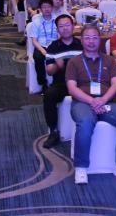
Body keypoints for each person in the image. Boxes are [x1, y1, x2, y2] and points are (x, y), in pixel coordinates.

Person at [65, 24, 116, 184]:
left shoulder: (109, 60)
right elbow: (72, 88)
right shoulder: (74, 62)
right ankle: (81, 167)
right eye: (87, 38)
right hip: (82, 102)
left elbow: (115, 84)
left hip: (106, 101)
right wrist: (92, 101)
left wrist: (102, 100)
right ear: (81, 40)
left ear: (100, 40)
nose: (91, 41)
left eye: (95, 38)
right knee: (85, 122)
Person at [41, 14, 83, 148]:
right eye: (61, 26)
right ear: (57, 29)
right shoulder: (53, 47)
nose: (65, 28)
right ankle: (53, 132)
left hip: (81, 83)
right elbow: (49, 71)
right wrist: (57, 66)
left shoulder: (81, 44)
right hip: (61, 83)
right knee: (49, 95)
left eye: (67, 25)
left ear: (73, 26)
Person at [28, 0, 60, 87]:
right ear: (40, 9)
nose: (47, 9)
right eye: (44, 7)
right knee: (38, 57)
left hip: (55, 45)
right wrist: (43, 50)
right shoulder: (36, 22)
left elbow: (60, 36)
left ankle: (58, 82)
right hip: (41, 46)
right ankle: (43, 83)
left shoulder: (57, 20)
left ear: (52, 8)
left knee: (63, 57)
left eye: (49, 7)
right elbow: (34, 41)